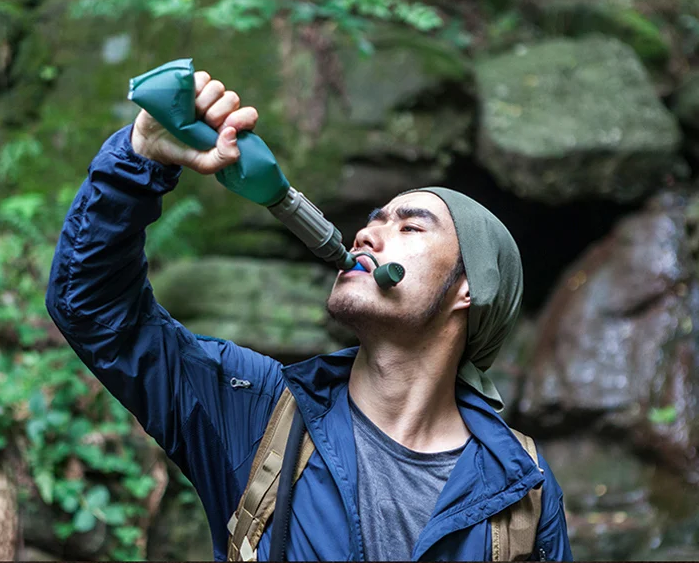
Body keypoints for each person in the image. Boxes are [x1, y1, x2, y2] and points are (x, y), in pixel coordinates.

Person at [46, 70, 572, 561]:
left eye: (411, 228)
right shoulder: (252, 409)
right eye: (373, 221)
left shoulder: (521, 491)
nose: (367, 235)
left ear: (467, 290)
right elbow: (94, 308)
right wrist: (140, 158)